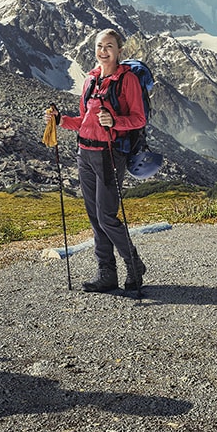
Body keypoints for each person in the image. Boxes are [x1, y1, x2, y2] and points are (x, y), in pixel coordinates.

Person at [47, 28, 147, 293]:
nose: (103, 51)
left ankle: (133, 264)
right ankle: (106, 273)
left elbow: (139, 119)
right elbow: (83, 121)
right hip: (85, 152)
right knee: (94, 216)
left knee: (106, 216)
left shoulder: (127, 81)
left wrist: (115, 121)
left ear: (119, 51)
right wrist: (61, 121)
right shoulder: (90, 80)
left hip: (109, 153)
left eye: (109, 47)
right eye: (100, 46)